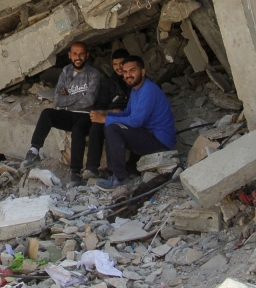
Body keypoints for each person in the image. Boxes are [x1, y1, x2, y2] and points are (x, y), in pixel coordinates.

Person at [22, 43, 102, 183]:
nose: (78, 57)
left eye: (82, 54)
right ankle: (34, 151)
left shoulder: (94, 74)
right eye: (75, 54)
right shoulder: (66, 72)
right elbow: (58, 100)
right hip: (68, 114)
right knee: (47, 113)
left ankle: (75, 173)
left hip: (86, 115)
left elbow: (89, 100)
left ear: (87, 55)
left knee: (78, 130)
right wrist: (78, 96)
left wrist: (68, 97)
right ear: (70, 55)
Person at [96, 55, 176, 194]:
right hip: (149, 135)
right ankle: (112, 173)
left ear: (143, 72)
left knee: (113, 128)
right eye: (125, 72)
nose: (128, 75)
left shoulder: (148, 89)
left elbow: (136, 121)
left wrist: (107, 120)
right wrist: (107, 115)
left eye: (132, 71)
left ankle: (119, 179)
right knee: (110, 125)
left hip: (160, 141)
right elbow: (128, 113)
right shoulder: (135, 90)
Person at [71, 49, 131, 185]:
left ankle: (112, 171)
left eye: (122, 63)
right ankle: (91, 168)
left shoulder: (134, 79)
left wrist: (120, 111)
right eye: (115, 64)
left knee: (110, 127)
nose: (119, 67)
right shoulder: (110, 83)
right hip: (110, 114)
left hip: (127, 115)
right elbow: (100, 105)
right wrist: (106, 112)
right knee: (95, 125)